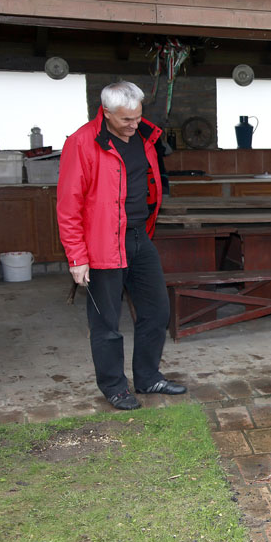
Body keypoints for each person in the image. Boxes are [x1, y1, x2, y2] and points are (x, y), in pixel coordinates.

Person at [57, 81, 186, 411]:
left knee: (157, 311)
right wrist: (77, 257)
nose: (134, 125)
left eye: (138, 117)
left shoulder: (144, 136)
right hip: (101, 244)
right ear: (106, 112)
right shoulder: (83, 143)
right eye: (126, 119)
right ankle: (114, 387)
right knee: (106, 324)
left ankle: (147, 377)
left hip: (139, 238)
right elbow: (68, 205)